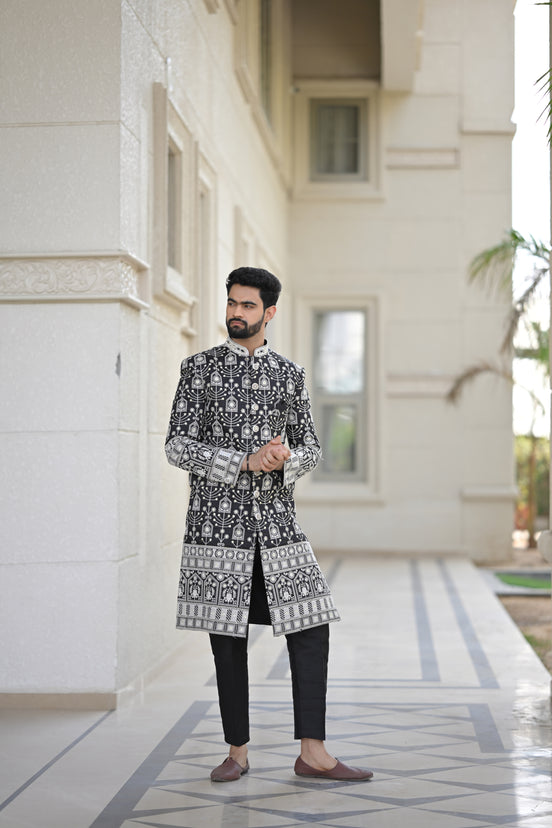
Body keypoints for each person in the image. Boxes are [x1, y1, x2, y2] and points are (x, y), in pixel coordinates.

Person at [165, 266, 373, 783]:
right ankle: (237, 752)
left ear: (270, 312)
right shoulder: (198, 369)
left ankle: (313, 752)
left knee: (311, 625)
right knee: (227, 639)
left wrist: (286, 460)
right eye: (232, 303)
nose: (236, 312)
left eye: (248, 305)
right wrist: (241, 462)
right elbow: (176, 445)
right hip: (217, 527)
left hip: (278, 526)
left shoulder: (290, 375)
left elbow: (311, 447)